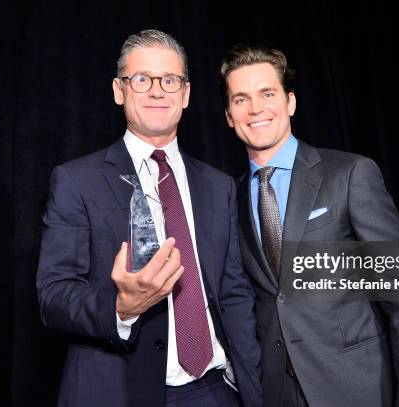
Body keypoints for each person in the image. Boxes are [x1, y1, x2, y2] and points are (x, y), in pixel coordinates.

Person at [36, 30, 261, 407]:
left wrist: (253, 388)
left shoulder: (218, 186)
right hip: (119, 390)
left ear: (185, 94)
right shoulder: (77, 180)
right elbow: (53, 296)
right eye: (141, 79)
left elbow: (234, 294)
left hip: (214, 391)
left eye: (169, 80)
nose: (157, 91)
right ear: (118, 90)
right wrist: (122, 307)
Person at [219, 45, 399, 407]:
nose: (255, 108)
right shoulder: (230, 198)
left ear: (290, 102)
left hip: (358, 387)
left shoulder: (350, 174)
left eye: (267, 94)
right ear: (229, 116)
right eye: (241, 99)